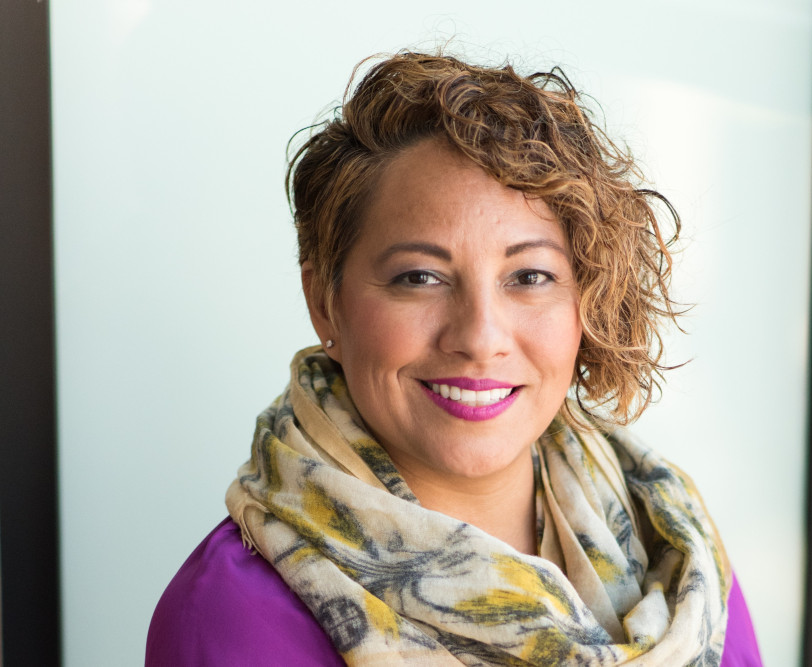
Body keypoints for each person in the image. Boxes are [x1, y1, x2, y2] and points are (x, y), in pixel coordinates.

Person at [146, 51, 763, 666]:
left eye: (529, 275)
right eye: (420, 277)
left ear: (589, 299)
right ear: (324, 303)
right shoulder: (235, 617)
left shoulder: (682, 560)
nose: (479, 335)